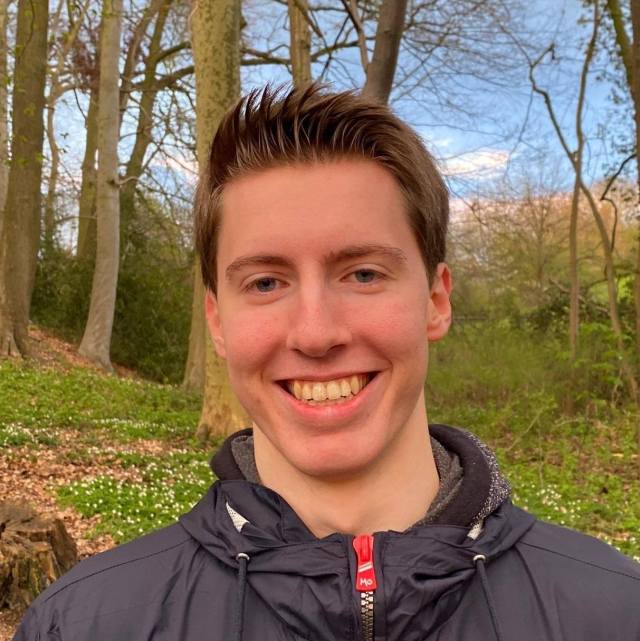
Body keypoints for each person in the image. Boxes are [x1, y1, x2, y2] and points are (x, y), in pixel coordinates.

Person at [13, 83, 640, 641]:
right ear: (217, 323)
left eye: (363, 274)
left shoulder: (617, 614)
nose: (315, 334)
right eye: (265, 283)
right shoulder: (80, 625)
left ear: (436, 301)